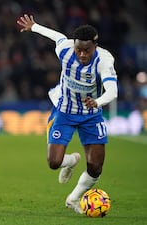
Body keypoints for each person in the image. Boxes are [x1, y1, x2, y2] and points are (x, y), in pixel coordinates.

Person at [17, 14, 117, 213]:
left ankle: (73, 198)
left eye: (86, 50)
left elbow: (113, 91)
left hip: (91, 114)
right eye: (78, 49)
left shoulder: (104, 60)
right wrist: (35, 26)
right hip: (64, 110)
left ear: (95, 46)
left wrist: (97, 102)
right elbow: (57, 37)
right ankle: (71, 161)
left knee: (96, 167)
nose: (81, 54)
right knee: (54, 163)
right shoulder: (65, 50)